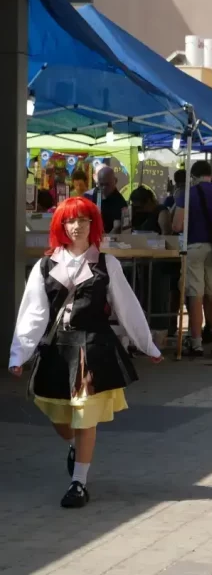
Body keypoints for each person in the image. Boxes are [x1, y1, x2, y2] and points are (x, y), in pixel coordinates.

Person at [8, 197, 163, 508]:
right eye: (70, 220)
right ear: (61, 225)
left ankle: (78, 482)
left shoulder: (107, 263)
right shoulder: (45, 265)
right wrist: (19, 354)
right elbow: (34, 313)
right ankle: (74, 447)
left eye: (83, 219)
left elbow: (127, 307)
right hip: (58, 349)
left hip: (93, 347)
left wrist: (147, 344)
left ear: (93, 224)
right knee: (57, 415)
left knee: (84, 415)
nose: (77, 226)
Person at [173, 160, 212, 358]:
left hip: (193, 248)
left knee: (195, 296)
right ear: (210, 174)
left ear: (193, 176)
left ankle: (197, 344)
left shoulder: (187, 194)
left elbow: (176, 225)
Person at [85, 166, 127, 234]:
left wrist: (106, 238)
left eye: (107, 184)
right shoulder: (90, 196)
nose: (104, 188)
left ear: (115, 181)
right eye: (101, 184)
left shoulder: (120, 203)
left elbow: (117, 227)